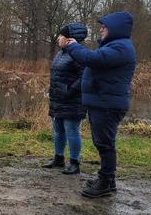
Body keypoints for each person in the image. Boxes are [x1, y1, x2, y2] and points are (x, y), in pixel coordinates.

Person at [58, 11, 137, 198]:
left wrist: (72, 45)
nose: (101, 29)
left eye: (105, 26)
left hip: (107, 105)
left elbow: (91, 59)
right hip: (102, 103)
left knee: (105, 144)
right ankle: (107, 180)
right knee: (102, 143)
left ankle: (106, 181)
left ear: (115, 28)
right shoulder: (115, 46)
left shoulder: (121, 48)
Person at [43, 23, 88, 175]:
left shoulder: (79, 54)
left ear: (69, 39)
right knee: (58, 131)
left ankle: (75, 163)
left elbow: (84, 78)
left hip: (73, 100)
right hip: (58, 99)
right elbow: (55, 76)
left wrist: (69, 91)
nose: (58, 38)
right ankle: (58, 159)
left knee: (72, 131)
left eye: (61, 36)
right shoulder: (60, 54)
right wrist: (52, 91)